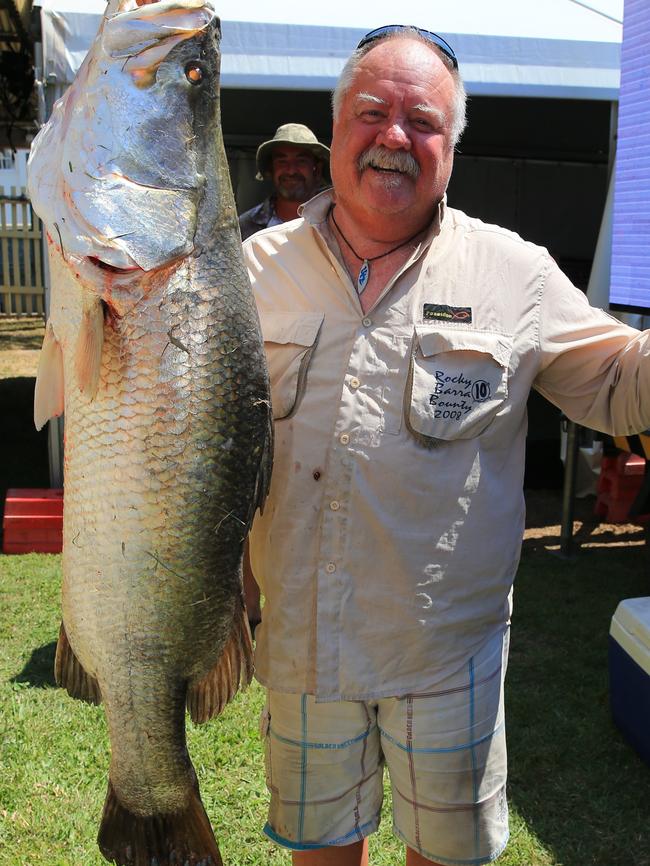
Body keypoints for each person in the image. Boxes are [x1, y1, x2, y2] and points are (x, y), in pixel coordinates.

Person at [242, 25, 650, 866]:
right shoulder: (253, 269)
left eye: (422, 121)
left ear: (453, 146)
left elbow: (618, 387)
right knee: (320, 854)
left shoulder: (514, 272)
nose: (395, 137)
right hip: (301, 642)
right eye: (372, 113)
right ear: (335, 129)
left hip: (445, 652)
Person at [238, 123, 330, 241]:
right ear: (271, 169)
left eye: (301, 161)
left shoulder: (338, 221)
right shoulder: (245, 227)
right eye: (282, 161)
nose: (291, 171)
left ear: (317, 169)